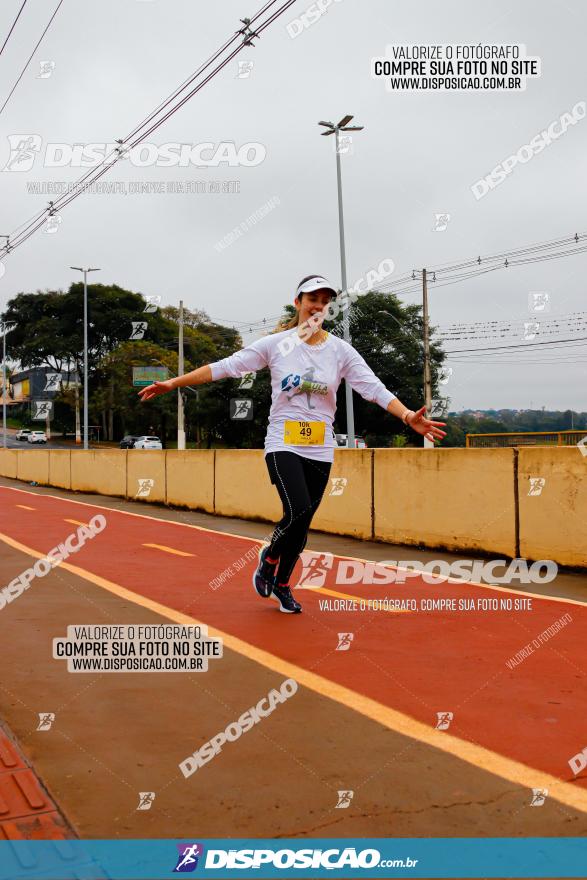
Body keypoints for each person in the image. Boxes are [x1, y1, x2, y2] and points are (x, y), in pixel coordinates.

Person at [138, 274, 446, 614]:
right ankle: (269, 558)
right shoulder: (276, 344)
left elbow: (372, 388)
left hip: (321, 447)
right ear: (298, 302)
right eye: (312, 298)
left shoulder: (340, 351)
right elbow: (226, 367)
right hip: (282, 442)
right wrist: (173, 383)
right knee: (298, 509)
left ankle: (283, 584)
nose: (318, 305)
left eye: (324, 300)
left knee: (302, 522)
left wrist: (407, 417)